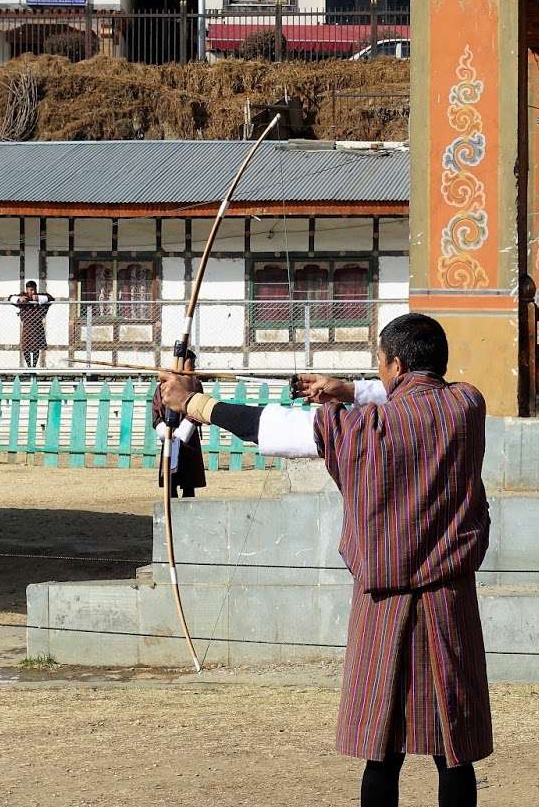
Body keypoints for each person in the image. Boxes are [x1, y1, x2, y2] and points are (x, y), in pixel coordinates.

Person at [157, 313, 491, 807]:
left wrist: (195, 403)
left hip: (384, 603)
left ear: (395, 365)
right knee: (453, 750)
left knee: (382, 751)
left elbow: (278, 429)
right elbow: (419, 397)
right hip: (450, 600)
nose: (379, 375)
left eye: (381, 364)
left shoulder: (362, 426)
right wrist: (350, 389)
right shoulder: (467, 405)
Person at [152, 350, 206, 499]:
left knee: (189, 480)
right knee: (171, 477)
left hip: (189, 437)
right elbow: (156, 408)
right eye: (191, 363)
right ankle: (171, 504)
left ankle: (189, 507)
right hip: (169, 434)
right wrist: (163, 427)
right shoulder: (163, 385)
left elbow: (198, 407)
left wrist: (185, 428)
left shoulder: (195, 385)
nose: (193, 367)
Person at [8, 281, 55, 368]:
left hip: (37, 325)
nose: (32, 292)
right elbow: (10, 298)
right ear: (27, 290)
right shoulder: (23, 296)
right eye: (30, 290)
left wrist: (38, 298)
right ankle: (29, 366)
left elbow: (51, 298)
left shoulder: (39, 296)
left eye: (34, 290)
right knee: (26, 348)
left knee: (36, 348)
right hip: (27, 326)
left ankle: (33, 367)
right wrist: (19, 299)